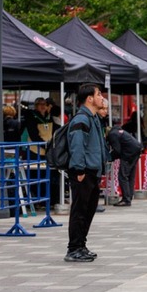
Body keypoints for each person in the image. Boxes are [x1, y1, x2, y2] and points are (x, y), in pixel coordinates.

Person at [64, 85, 108, 263]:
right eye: (98, 94)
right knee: (79, 210)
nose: (102, 97)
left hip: (92, 171)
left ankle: (81, 245)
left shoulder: (93, 118)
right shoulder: (82, 118)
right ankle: (73, 248)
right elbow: (77, 146)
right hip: (83, 172)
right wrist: (79, 169)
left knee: (88, 210)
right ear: (89, 98)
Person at [106, 109, 143, 207]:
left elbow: (117, 150)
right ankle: (129, 196)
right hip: (136, 149)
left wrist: (109, 157)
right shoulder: (118, 131)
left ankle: (126, 199)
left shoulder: (112, 135)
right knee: (130, 175)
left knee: (122, 176)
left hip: (128, 153)